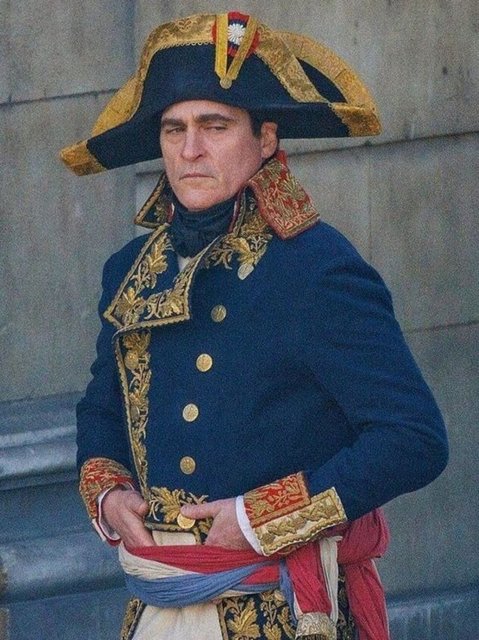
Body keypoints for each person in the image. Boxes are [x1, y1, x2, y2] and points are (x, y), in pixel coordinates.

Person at [60, 12, 448, 640]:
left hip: (285, 611)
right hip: (157, 605)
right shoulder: (130, 270)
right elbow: (102, 410)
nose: (190, 150)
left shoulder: (316, 268)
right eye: (174, 129)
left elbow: (413, 438)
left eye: (214, 127)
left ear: (266, 139)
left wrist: (259, 517)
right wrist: (108, 494)